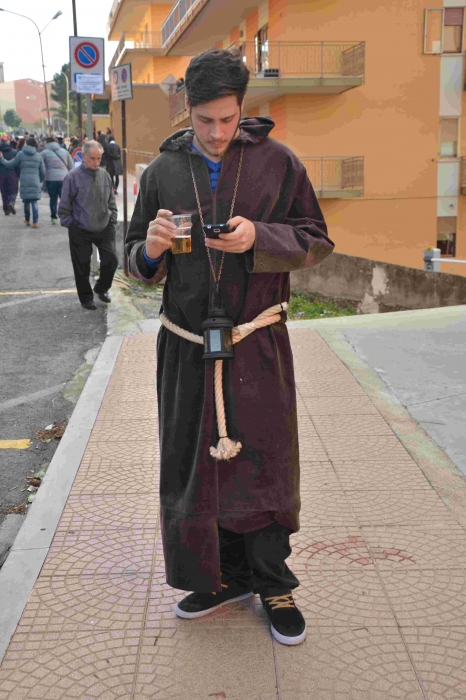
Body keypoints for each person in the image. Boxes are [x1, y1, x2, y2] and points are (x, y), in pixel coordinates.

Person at [125, 49, 334, 646]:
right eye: (204, 121)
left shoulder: (279, 163)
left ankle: (274, 584)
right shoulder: (163, 171)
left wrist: (258, 237)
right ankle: (221, 576)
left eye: (227, 119)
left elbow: (317, 239)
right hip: (186, 346)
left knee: (263, 461)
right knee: (195, 466)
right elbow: (137, 258)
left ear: (242, 108)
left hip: (257, 341)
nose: (216, 134)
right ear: (186, 109)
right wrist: (155, 248)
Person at [58, 140, 118, 311]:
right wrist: (71, 225)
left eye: (99, 159)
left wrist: (112, 217)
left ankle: (101, 288)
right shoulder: (72, 177)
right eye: (92, 158)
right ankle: (86, 298)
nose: (96, 162)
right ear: (83, 157)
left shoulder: (104, 175)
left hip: (105, 226)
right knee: (82, 266)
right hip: (80, 229)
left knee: (111, 259)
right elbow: (64, 206)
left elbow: (111, 200)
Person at [0, 136, 45, 228]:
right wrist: (39, 180)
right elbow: (43, 171)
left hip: (24, 181)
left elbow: (10, 164)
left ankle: (27, 220)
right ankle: (35, 222)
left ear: (27, 144)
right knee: (34, 202)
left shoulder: (21, 154)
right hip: (35, 180)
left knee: (27, 202)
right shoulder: (38, 155)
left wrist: (1, 158)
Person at [41, 136, 74, 224]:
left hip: (50, 179)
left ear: (47, 143)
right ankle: (66, 216)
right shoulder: (64, 151)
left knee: (53, 199)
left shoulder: (44, 153)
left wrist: (42, 177)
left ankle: (54, 217)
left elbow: (41, 167)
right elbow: (72, 166)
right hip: (64, 178)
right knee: (64, 198)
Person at [0, 136, 19, 216]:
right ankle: (11, 202)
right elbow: (17, 165)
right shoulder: (14, 152)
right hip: (12, 175)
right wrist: (18, 174)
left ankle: (6, 210)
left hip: (1, 175)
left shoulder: (1, 153)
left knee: (4, 193)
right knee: (13, 191)